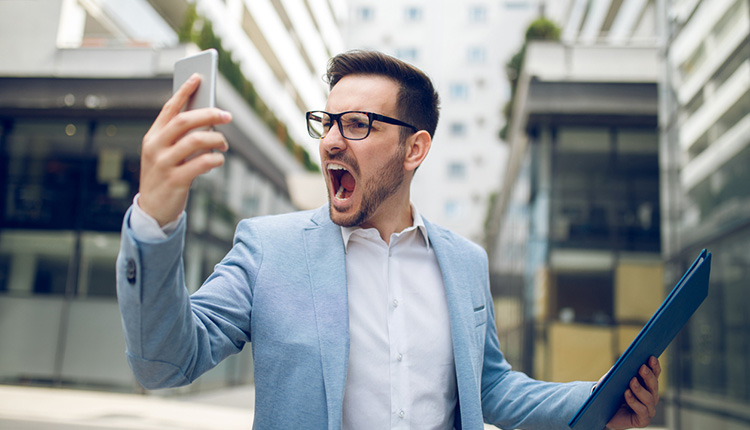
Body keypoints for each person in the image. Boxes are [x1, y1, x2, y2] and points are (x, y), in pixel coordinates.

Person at [116, 50, 661, 429]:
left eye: (356, 124)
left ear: (414, 149)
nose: (331, 141)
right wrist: (155, 221)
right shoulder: (267, 249)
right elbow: (163, 363)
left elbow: (489, 387)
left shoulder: (466, 263)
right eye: (327, 123)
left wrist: (597, 399)